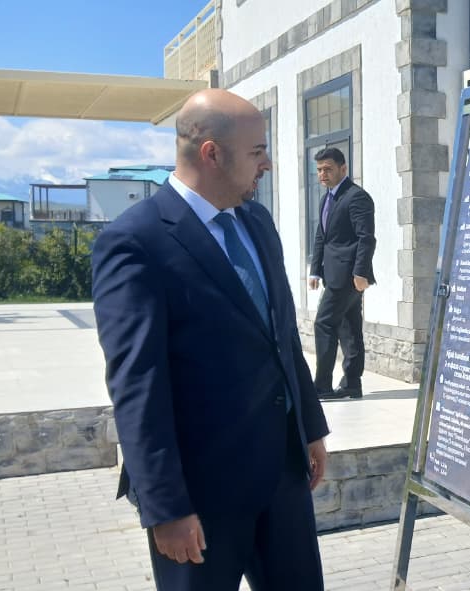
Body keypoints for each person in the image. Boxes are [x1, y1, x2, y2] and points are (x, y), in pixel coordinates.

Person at [92, 89, 329, 590]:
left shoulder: (257, 223)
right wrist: (165, 507)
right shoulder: (136, 242)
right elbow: (137, 384)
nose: (267, 164)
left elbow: (282, 336)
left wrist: (310, 427)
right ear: (212, 153)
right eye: (257, 151)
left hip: (281, 476)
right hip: (199, 496)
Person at [307, 147, 376, 400]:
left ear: (343, 169)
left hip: (348, 275)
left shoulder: (357, 197)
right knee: (349, 327)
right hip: (333, 273)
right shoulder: (327, 198)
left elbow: (366, 238)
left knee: (324, 323)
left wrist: (360, 272)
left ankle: (322, 386)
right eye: (319, 170)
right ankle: (352, 384)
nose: (322, 174)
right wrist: (315, 270)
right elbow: (322, 236)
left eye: (328, 169)